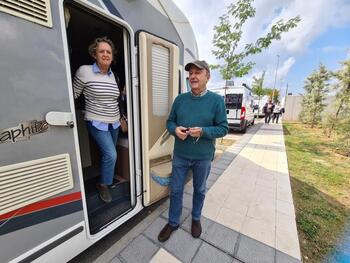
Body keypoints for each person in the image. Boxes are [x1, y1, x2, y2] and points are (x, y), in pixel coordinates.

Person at [158, 60, 228, 242]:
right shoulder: (180, 99)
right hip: (181, 155)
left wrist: (204, 131)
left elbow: (223, 128)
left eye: (198, 72)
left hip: (203, 157)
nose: (193, 76)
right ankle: (173, 222)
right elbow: (170, 122)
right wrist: (175, 130)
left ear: (208, 76)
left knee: (200, 189)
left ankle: (196, 218)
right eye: (191, 73)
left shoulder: (216, 101)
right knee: (175, 190)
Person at [73, 37, 120, 203]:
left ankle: (105, 178)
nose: (106, 54)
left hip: (114, 122)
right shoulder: (84, 71)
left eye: (109, 52)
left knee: (108, 154)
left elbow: (115, 99)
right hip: (95, 121)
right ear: (95, 54)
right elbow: (74, 95)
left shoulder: (113, 75)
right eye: (102, 51)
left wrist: (123, 118)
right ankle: (103, 184)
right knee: (111, 154)